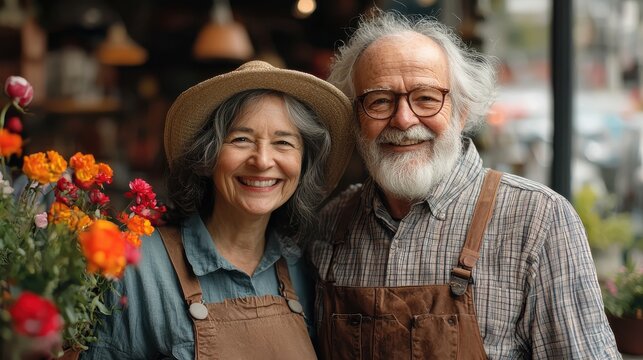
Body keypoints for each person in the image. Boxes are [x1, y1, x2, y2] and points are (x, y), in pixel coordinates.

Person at [307, 10, 622, 359]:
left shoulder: (537, 220)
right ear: (356, 119)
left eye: (426, 98)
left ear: (462, 111)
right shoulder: (332, 224)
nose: (403, 119)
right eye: (380, 101)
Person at [82, 60, 354, 359]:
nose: (262, 161)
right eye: (241, 139)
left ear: (304, 164)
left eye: (283, 142)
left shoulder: (304, 270)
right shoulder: (138, 268)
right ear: (207, 155)